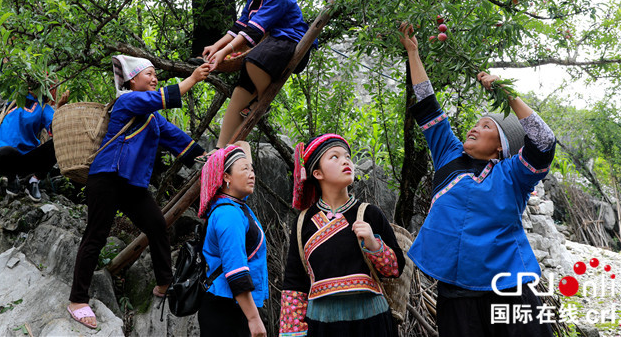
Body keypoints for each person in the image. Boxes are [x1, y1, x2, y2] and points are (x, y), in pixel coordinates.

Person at [398, 23, 556, 337]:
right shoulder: (449, 155)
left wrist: (508, 94)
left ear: (501, 146)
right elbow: (427, 105)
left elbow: (544, 142)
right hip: (456, 292)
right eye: (476, 123)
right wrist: (413, 52)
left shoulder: (513, 174)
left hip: (507, 287)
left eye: (485, 126)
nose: (473, 128)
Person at [67, 55, 210, 330]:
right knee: (96, 235)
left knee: (157, 224)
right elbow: (156, 99)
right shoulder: (127, 100)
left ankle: (164, 282)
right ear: (133, 80)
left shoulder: (152, 119)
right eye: (149, 74)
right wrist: (192, 79)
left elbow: (174, 136)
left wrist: (205, 155)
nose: (155, 78)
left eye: (156, 74)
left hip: (130, 184)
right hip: (107, 176)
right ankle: (77, 300)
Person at [279, 134, 405, 337]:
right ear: (317, 173)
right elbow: (295, 283)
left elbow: (396, 269)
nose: (346, 160)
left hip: (371, 322)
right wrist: (292, 333)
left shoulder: (370, 213)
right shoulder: (303, 222)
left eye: (347, 156)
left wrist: (374, 244)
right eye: (335, 157)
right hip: (322, 324)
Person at [203, 0, 315, 147]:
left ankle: (262, 101)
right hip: (270, 48)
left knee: (252, 60)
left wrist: (224, 53)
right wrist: (216, 46)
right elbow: (239, 26)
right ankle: (221, 149)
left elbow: (252, 32)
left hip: (290, 43)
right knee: (240, 89)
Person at [198, 142, 267, 337]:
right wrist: (254, 319)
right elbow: (235, 270)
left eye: (252, 169)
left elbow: (243, 145)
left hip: (234, 307)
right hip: (227, 311)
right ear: (226, 177)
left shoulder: (235, 207)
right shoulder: (229, 214)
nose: (252, 174)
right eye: (245, 169)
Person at [0, 78, 69, 202]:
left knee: (59, 143)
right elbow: (7, 71)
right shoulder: (15, 96)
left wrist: (60, 108)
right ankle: (11, 178)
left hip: (27, 159)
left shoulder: (43, 107)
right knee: (4, 152)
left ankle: (34, 180)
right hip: (3, 157)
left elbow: (56, 129)